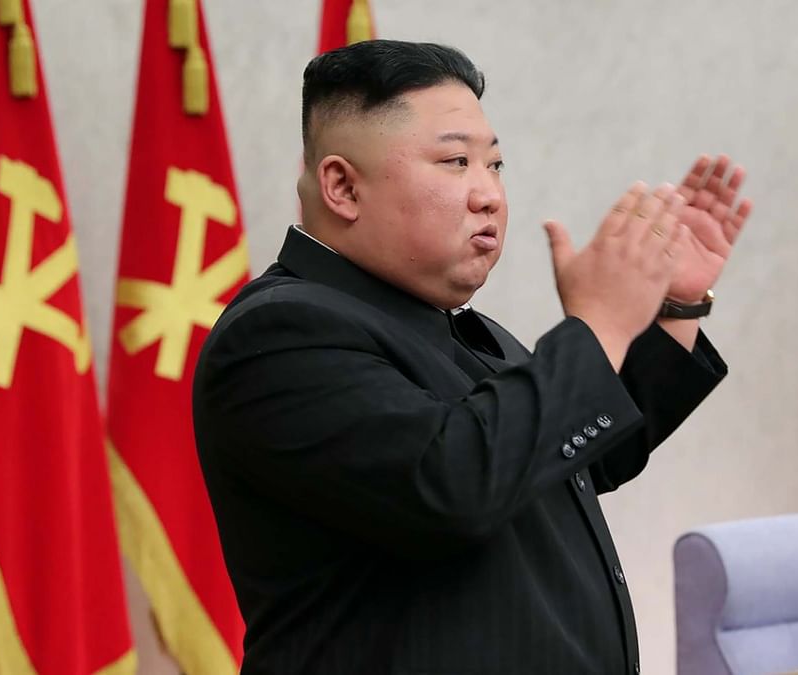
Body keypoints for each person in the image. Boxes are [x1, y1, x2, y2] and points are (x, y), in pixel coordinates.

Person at [192, 40, 751, 674]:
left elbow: (582, 459)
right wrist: (596, 326)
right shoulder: (280, 334)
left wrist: (672, 306)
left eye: (496, 164)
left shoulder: (457, 329)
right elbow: (453, 485)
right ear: (343, 186)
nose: (488, 195)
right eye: (456, 161)